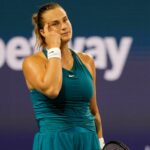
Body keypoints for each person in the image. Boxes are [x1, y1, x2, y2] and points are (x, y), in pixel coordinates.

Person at [22, 2, 105, 150]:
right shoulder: (32, 62)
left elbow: (94, 111)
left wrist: (100, 143)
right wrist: (54, 48)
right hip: (54, 142)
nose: (64, 26)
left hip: (89, 141)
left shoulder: (87, 61)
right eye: (55, 24)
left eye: (65, 19)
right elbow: (52, 90)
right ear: (43, 32)